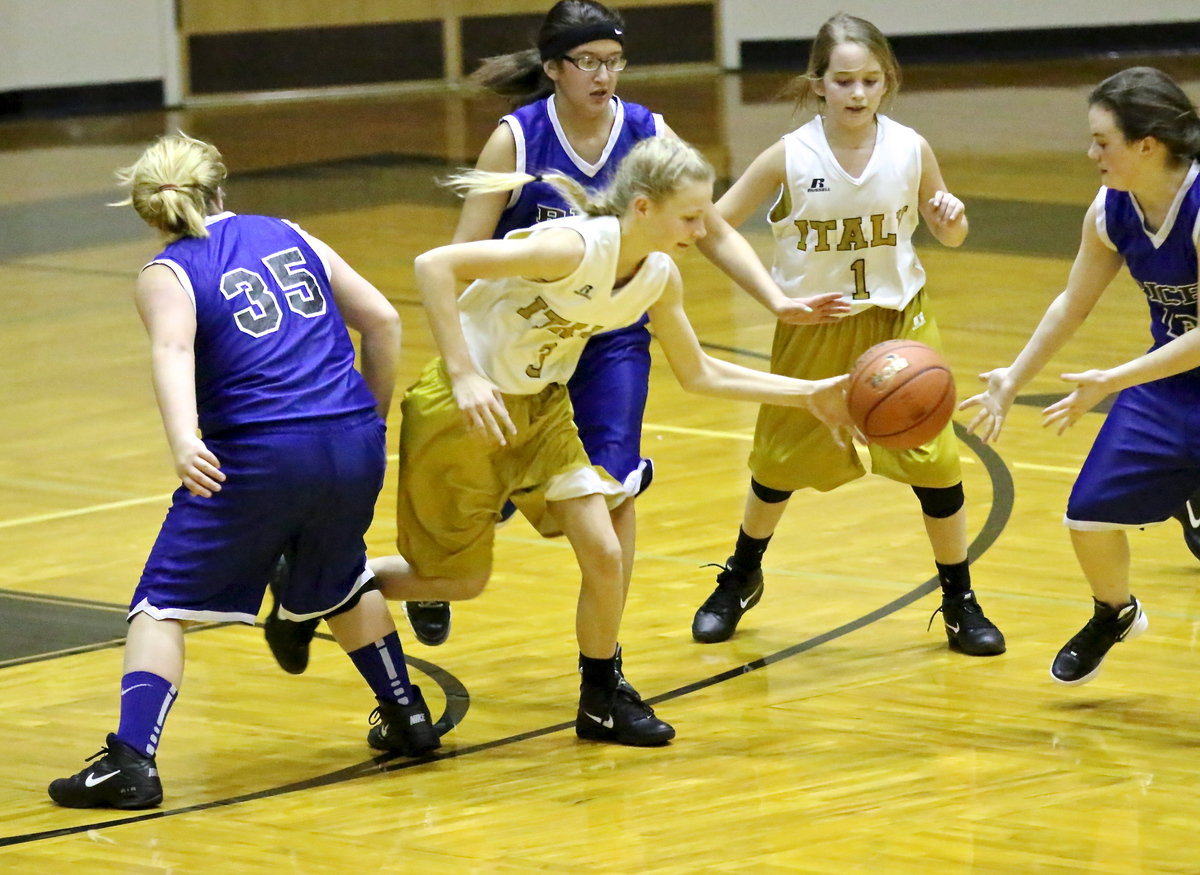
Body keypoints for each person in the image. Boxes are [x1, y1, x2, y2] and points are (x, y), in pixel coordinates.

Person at [261, 0, 846, 662]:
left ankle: (605, 671)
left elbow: (706, 227)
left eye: (615, 61)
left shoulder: (650, 139)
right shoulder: (519, 140)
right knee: (478, 527)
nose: (605, 75)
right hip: (524, 330)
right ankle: (431, 563)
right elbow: (452, 261)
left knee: (611, 489)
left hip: (606, 334)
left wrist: (777, 302)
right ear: (554, 68)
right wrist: (463, 365)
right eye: (589, 62)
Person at [364, 136, 852, 746]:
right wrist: (463, 373)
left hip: (541, 412)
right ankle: (328, 587)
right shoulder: (570, 247)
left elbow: (700, 372)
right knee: (457, 582)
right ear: (643, 208)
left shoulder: (658, 276)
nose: (705, 230)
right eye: (692, 216)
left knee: (604, 552)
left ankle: (600, 699)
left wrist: (806, 393)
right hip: (465, 409)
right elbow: (435, 264)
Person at [48, 133, 435, 811]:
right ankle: (407, 714)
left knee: (160, 605)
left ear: (147, 212)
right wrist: (365, 419)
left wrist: (183, 438)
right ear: (220, 188)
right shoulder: (287, 232)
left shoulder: (165, 272)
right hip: (351, 440)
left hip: (262, 453)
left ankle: (131, 760)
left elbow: (170, 349)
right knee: (341, 575)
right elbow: (382, 320)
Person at [688, 12, 1006, 655]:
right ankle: (742, 575)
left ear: (887, 82)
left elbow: (950, 231)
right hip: (818, 323)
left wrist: (951, 219)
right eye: (843, 81)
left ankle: (959, 599)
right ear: (818, 85)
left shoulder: (911, 147)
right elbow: (709, 228)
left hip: (899, 325)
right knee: (777, 465)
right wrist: (776, 299)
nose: (858, 93)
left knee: (937, 465)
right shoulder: (789, 154)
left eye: (870, 80)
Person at [960, 66, 1200, 685]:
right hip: (1173, 381)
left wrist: (1116, 377)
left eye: (1102, 140)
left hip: (1168, 368)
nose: (1091, 152)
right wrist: (1013, 377)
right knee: (1087, 515)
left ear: (1147, 145)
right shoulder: (1111, 209)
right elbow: (1071, 302)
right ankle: (1114, 611)